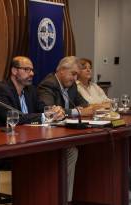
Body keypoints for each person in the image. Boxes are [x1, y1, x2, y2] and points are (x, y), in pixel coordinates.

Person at [37, 56, 93, 203]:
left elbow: (86, 106)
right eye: (73, 74)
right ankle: (64, 200)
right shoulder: (48, 85)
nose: (75, 78)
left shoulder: (72, 85)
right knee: (72, 151)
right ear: (61, 71)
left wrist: (77, 111)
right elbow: (49, 111)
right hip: (47, 136)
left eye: (76, 75)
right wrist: (75, 112)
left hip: (65, 132)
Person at [0, 56, 65, 127]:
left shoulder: (31, 90)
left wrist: (54, 110)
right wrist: (44, 116)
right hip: (7, 136)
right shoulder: (1, 90)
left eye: (32, 70)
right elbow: (13, 118)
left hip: (30, 134)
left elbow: (42, 107)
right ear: (14, 71)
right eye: (26, 69)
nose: (32, 74)